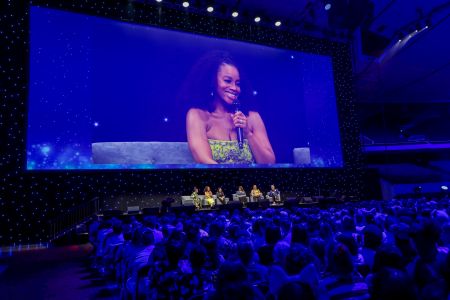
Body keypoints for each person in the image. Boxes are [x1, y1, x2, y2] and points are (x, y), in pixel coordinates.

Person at [182, 51, 275, 164]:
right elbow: (204, 160)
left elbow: (269, 163)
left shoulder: (252, 117)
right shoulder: (197, 115)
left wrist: (248, 134)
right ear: (212, 81)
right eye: (227, 81)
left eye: (238, 83)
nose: (234, 88)